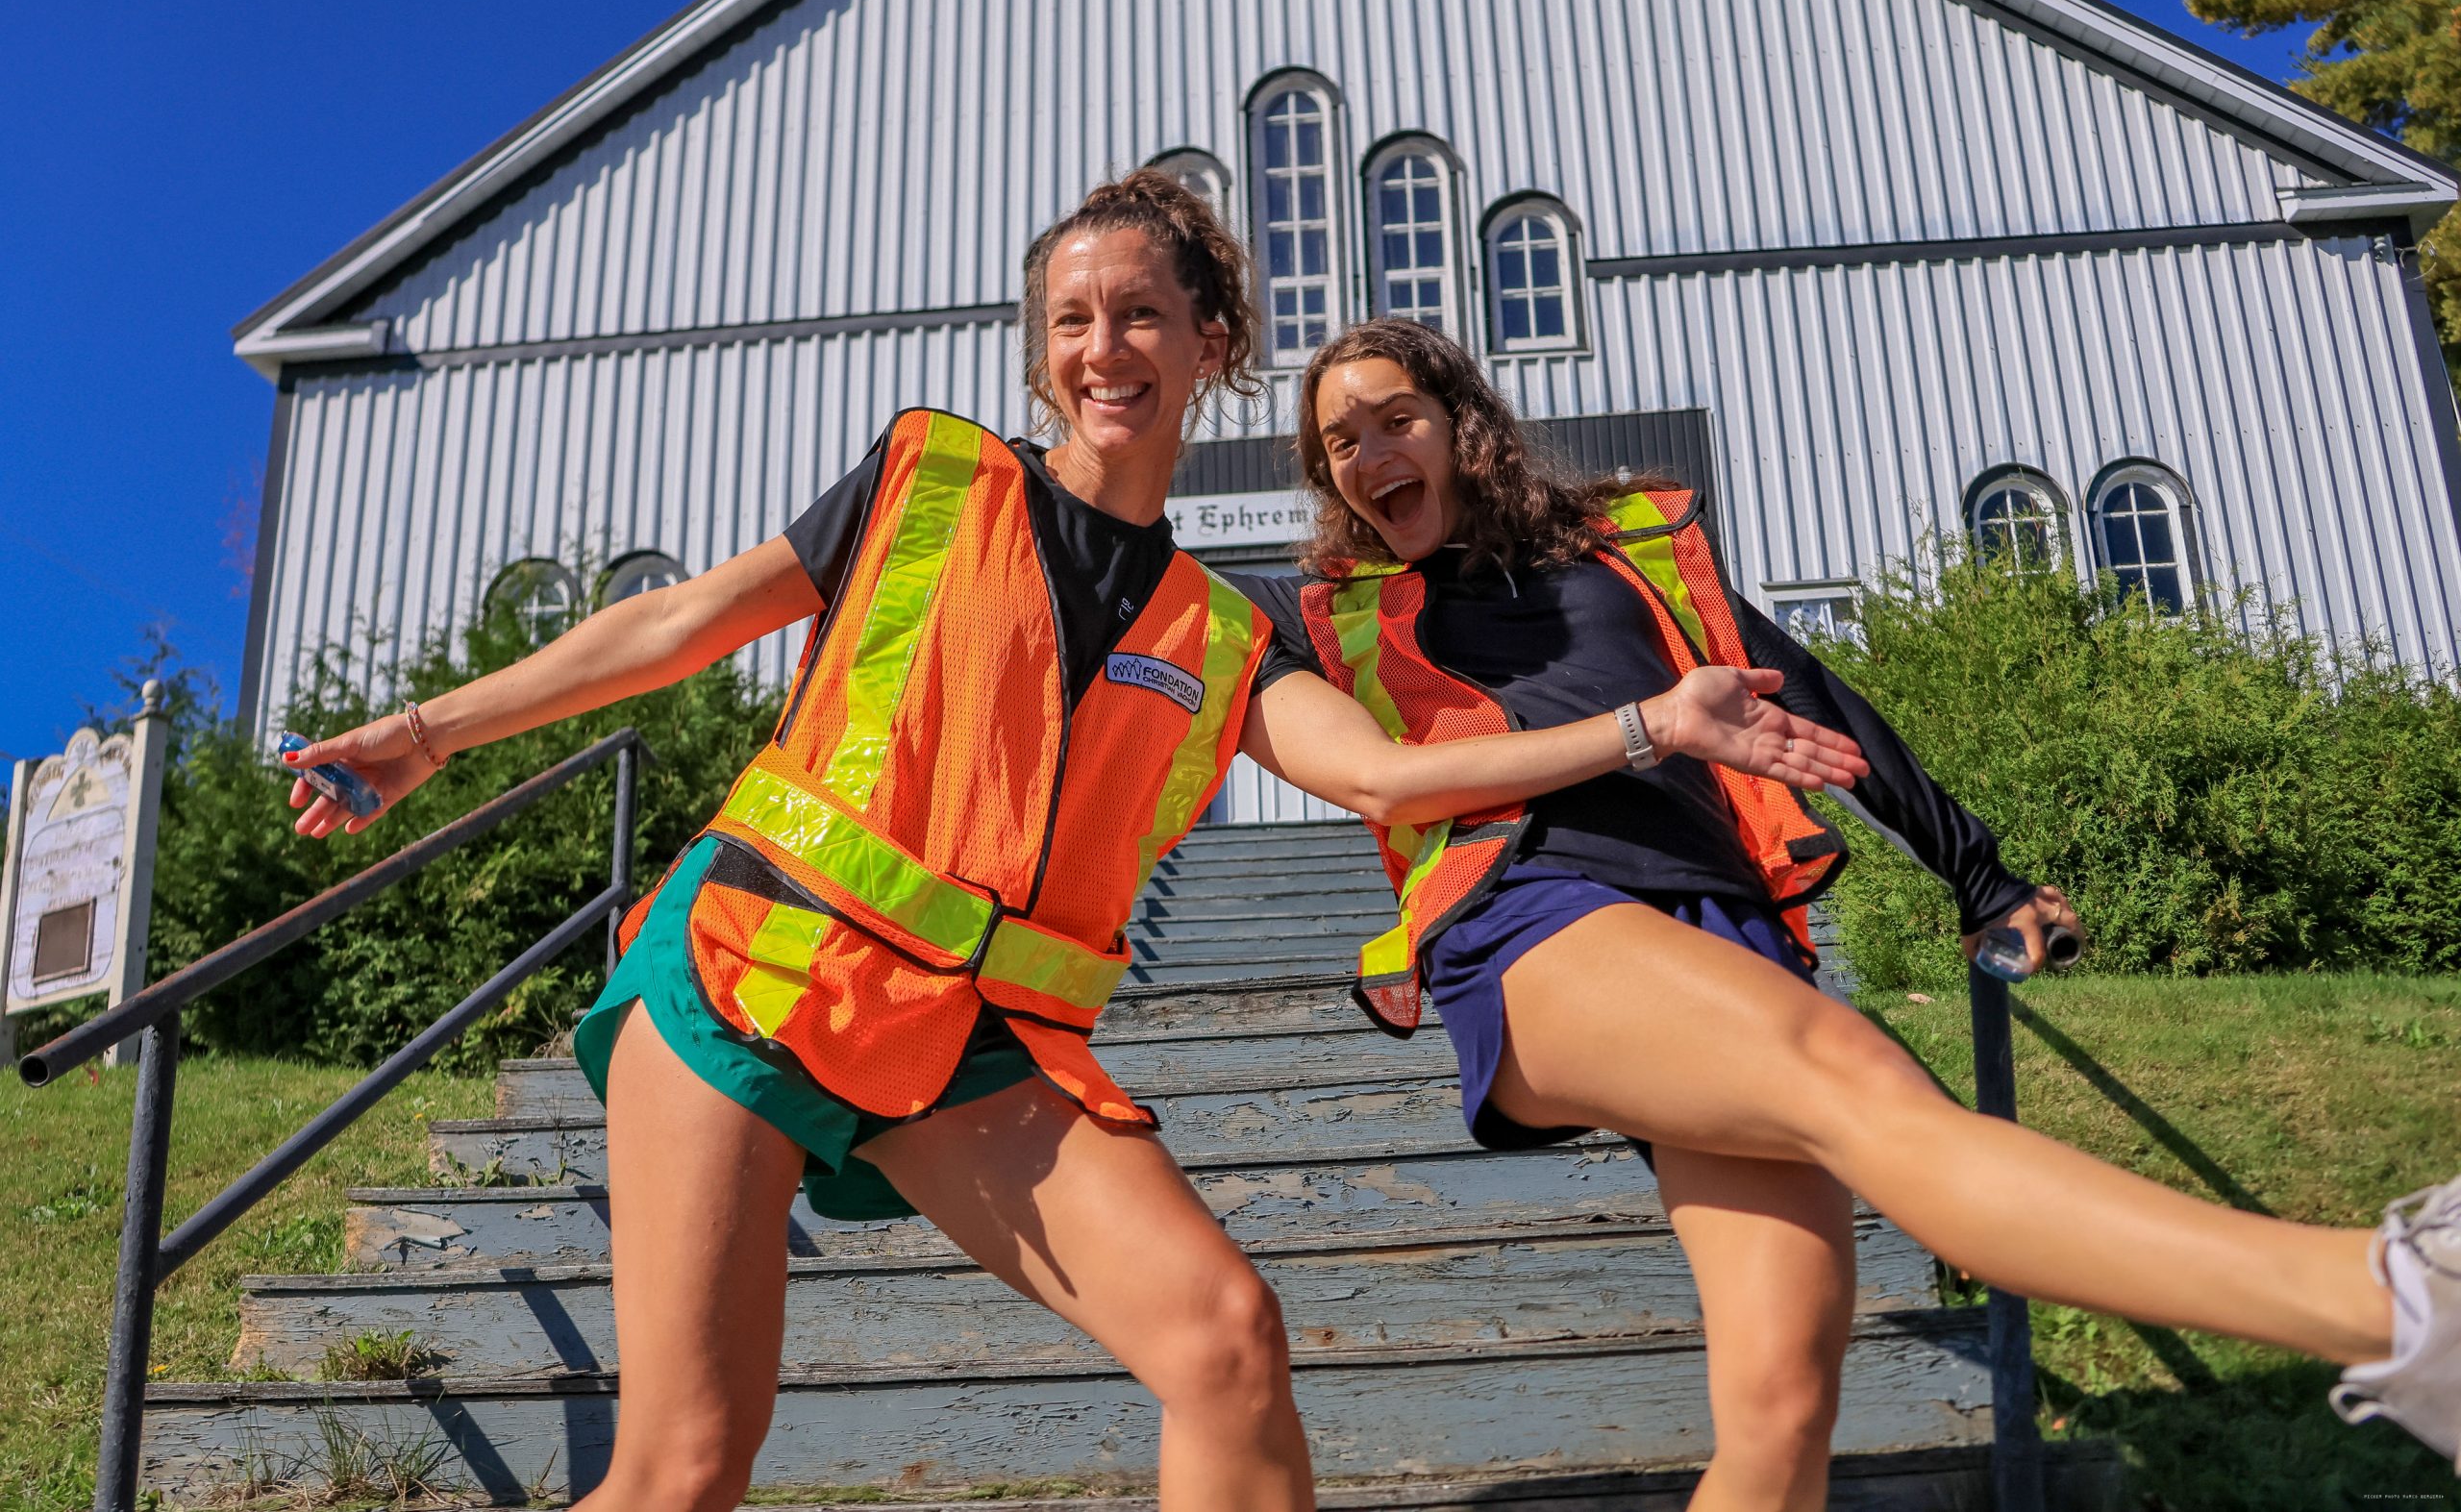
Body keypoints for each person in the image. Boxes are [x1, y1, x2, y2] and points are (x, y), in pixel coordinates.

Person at [279, 173, 1873, 1512]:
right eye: (1071, 319)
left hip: (964, 1038)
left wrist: (1653, 723)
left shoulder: (1222, 626)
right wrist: (430, 732)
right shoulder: (928, 477)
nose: (1102, 347)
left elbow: (1396, 779)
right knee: (685, 1465)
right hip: (750, 969)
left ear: (1211, 344)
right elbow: (680, 623)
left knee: (1225, 1337)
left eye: (1139, 314)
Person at [1231, 316, 2461, 1509]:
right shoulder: (1323, 613)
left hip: (1720, 917)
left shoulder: (1620, 551)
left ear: (1461, 425)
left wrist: (1978, 876)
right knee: (1859, 1076)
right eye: (1340, 442)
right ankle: (2394, 1302)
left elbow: (1809, 700)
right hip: (1532, 908)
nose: (1370, 453)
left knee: (1782, 1411)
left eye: (1396, 419)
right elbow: (1172, 616)